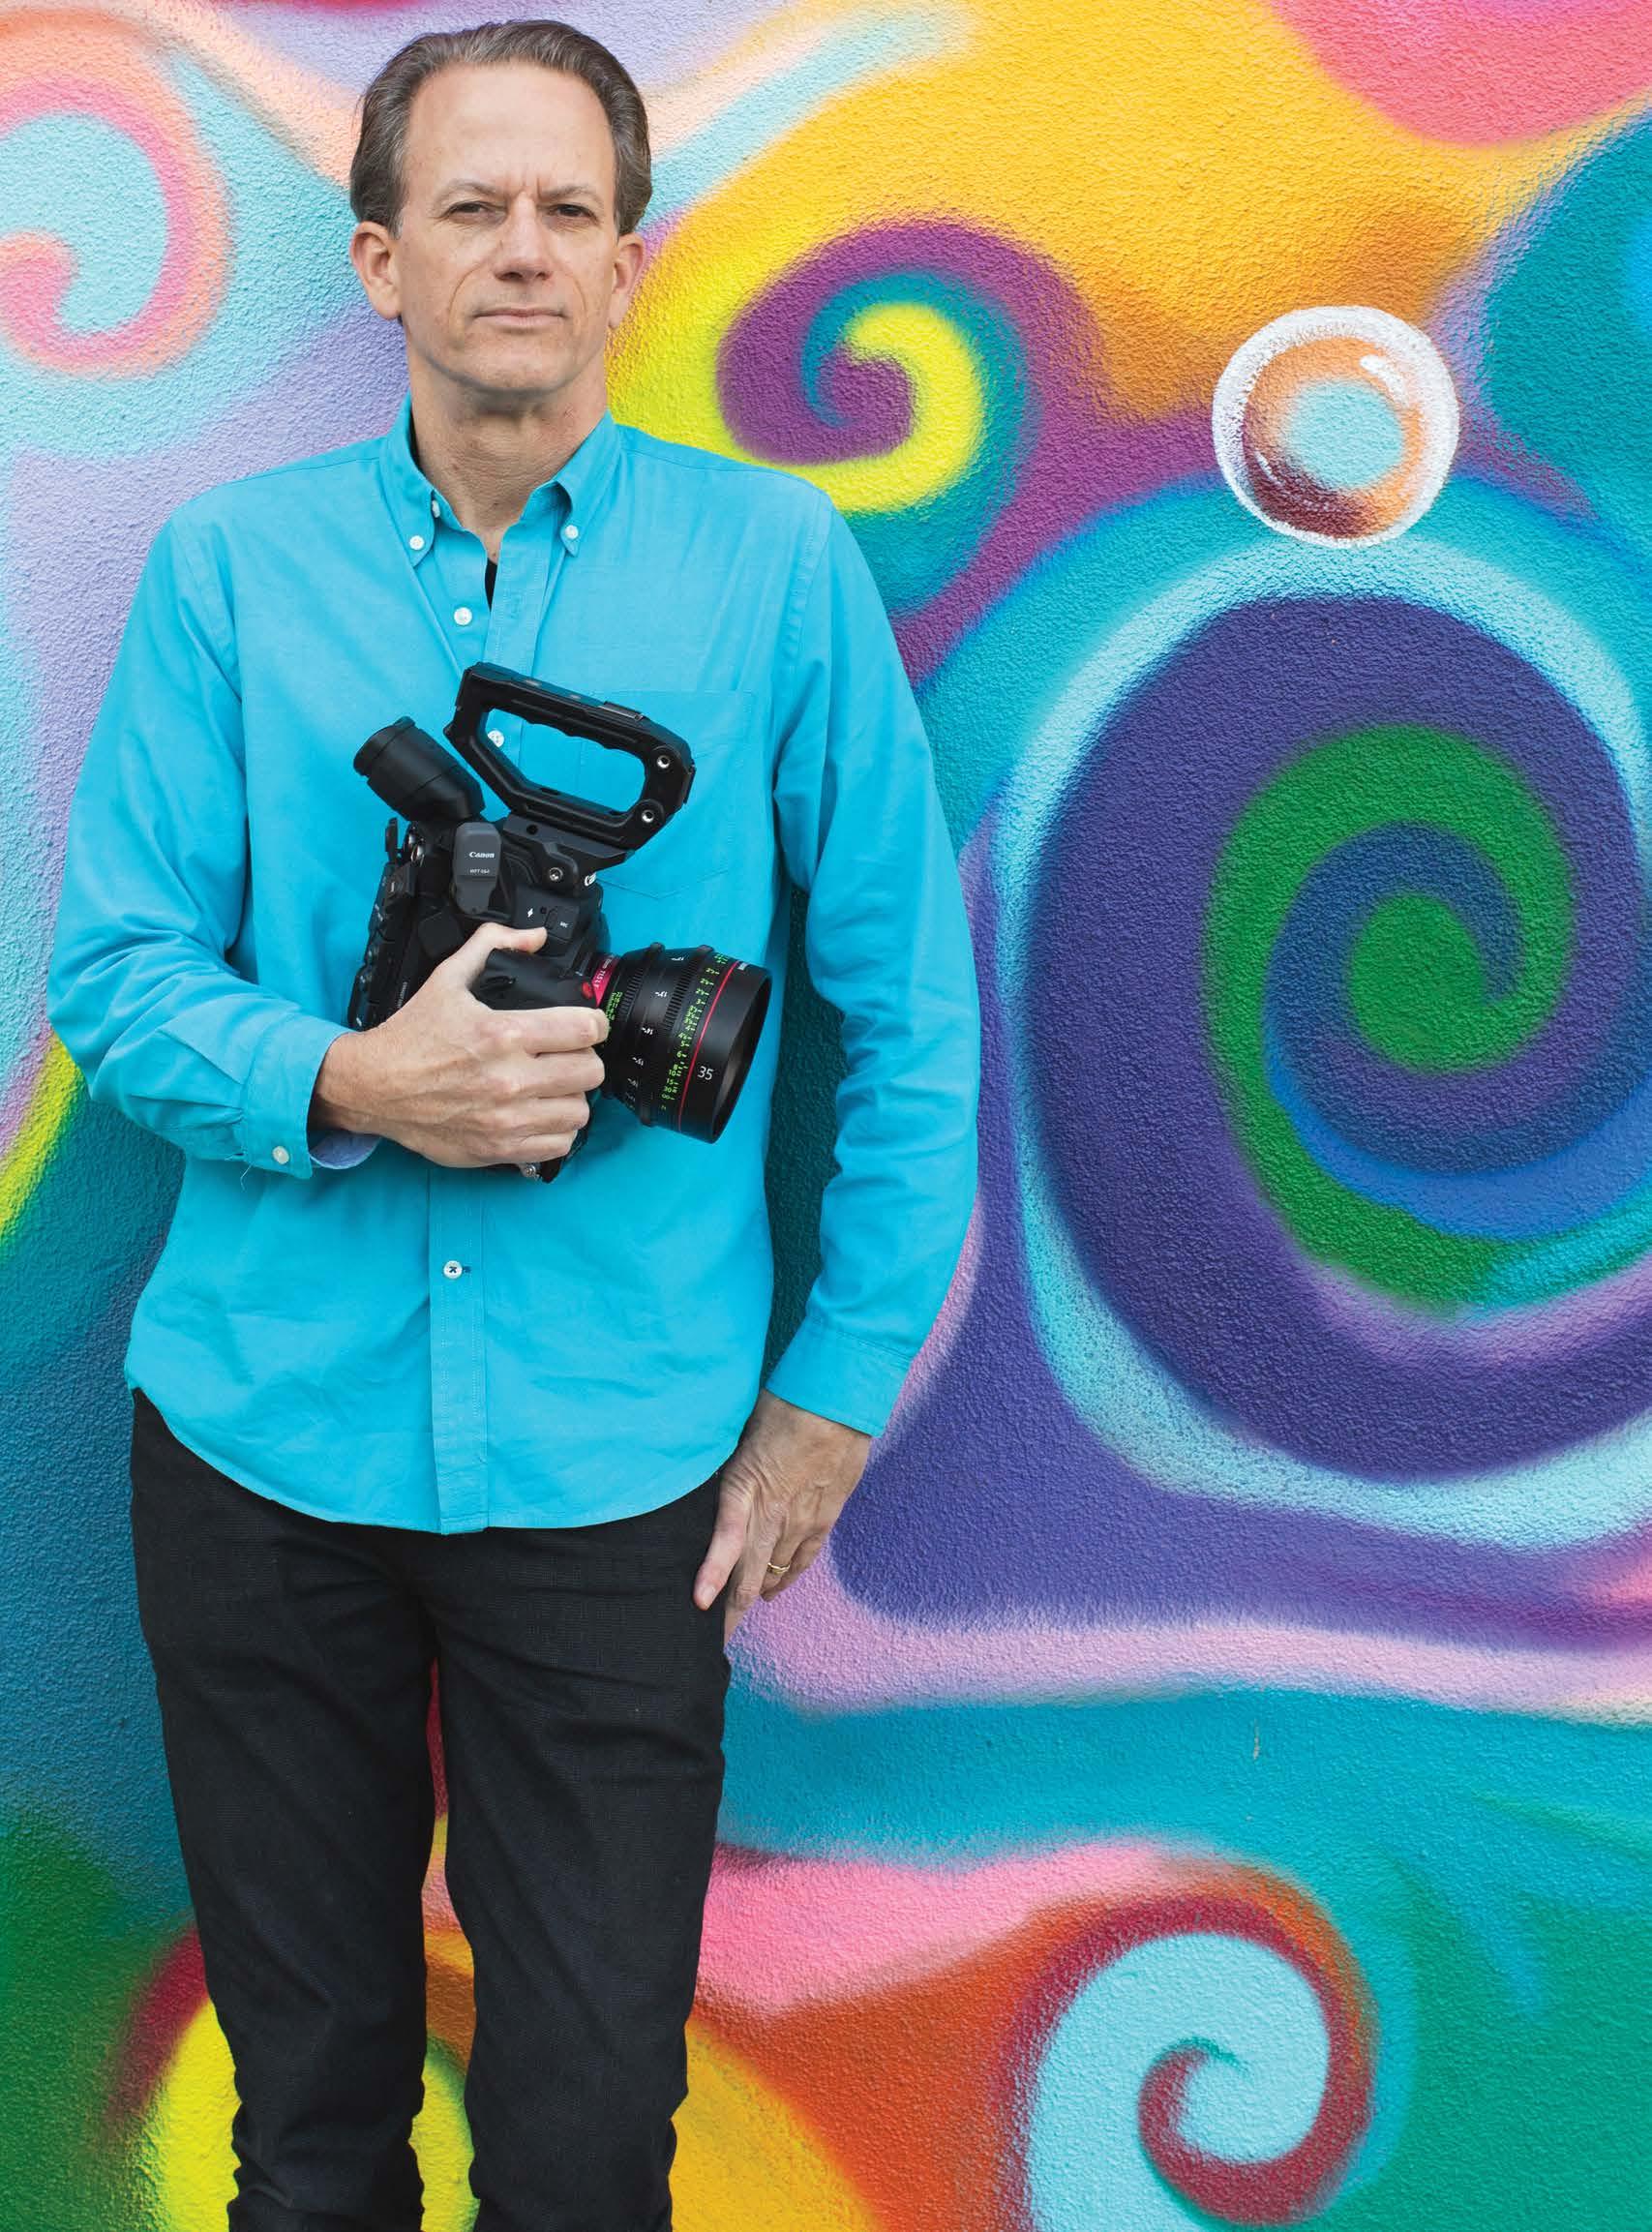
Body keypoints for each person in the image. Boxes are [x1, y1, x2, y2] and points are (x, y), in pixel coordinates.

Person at [45, 18, 980, 2231]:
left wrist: (831, 1399)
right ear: (380, 258)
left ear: (630, 258)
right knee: (309, 2140)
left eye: (569, 208)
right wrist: (352, 1080)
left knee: (581, 2146)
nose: (523, 250)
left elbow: (906, 1018)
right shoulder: (229, 573)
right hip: (264, 1445)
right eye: (469, 206)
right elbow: (113, 971)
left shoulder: (770, 571)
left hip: (622, 1468)